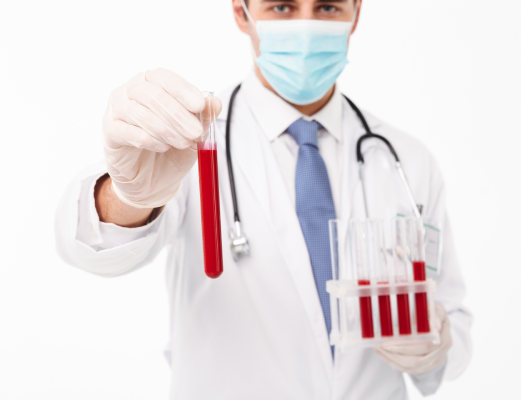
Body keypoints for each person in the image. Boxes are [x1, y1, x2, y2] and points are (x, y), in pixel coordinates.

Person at [55, 0, 472, 398]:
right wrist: (130, 196)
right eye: (282, 6)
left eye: (327, 7)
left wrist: (436, 343)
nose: (306, 26)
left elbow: (452, 332)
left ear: (355, 13)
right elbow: (97, 248)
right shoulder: (187, 142)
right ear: (242, 11)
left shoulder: (407, 160)